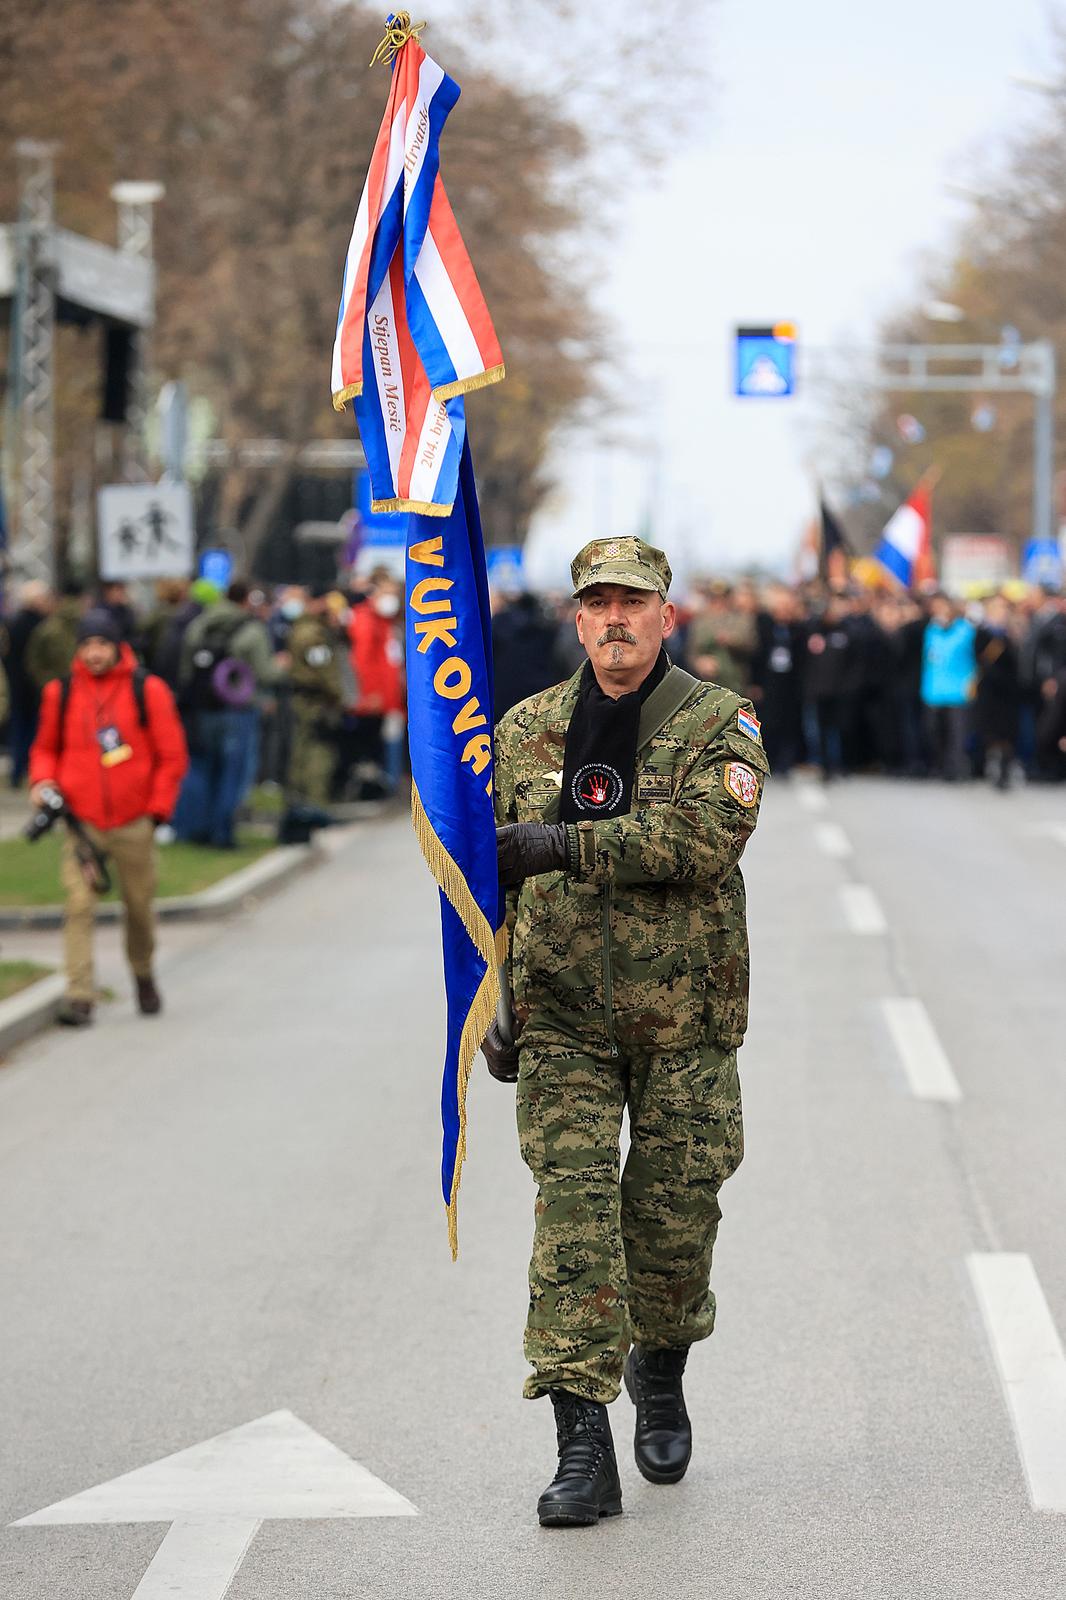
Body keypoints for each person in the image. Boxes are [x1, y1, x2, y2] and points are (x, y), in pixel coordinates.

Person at [487, 535, 767, 1527]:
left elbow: (704, 839)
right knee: (573, 1220)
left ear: (665, 616)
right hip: (562, 1018)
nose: (615, 620)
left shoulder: (717, 722)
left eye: (633, 603)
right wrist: (491, 1001)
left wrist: (563, 843)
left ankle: (661, 1366)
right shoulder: (523, 731)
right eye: (598, 603)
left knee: (671, 1222)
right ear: (576, 618)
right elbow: (482, 877)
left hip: (683, 1020)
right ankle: (580, 1447)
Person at [27, 609, 188, 1026]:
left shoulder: (147, 690)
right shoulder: (61, 692)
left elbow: (171, 756)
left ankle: (143, 972)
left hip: (135, 821)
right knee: (79, 904)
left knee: (138, 907)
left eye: (102, 644)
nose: (94, 653)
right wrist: (43, 781)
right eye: (87, 645)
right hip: (82, 822)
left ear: (117, 646)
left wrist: (156, 811)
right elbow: (45, 748)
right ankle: (80, 993)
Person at [173, 580, 286, 847]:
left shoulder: (200, 624)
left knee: (201, 769)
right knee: (232, 773)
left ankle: (194, 828)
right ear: (247, 600)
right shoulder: (252, 629)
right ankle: (222, 833)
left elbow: (186, 667)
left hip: (203, 708)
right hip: (239, 709)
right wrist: (282, 667)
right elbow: (265, 672)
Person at [287, 585, 345, 805]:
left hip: (305, 698)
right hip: (316, 702)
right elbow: (323, 671)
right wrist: (337, 696)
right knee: (318, 752)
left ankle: (300, 801)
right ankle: (314, 802)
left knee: (301, 748)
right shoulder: (314, 634)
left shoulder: (301, 628)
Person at [0, 579, 52, 786]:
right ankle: (25, 770)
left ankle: (17, 772)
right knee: (30, 731)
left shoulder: (14, 623)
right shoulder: (38, 626)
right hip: (30, 688)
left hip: (16, 686)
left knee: (19, 729)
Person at [921, 593, 976, 780]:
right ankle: (939, 765)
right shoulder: (932, 630)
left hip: (958, 690)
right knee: (934, 731)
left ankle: (956, 768)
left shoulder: (966, 630)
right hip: (934, 690)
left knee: (957, 733)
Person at [25, 580, 85, 692]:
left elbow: (33, 661)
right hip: (75, 687)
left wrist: (47, 683)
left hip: (57, 687)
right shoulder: (86, 625)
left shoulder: (46, 627)